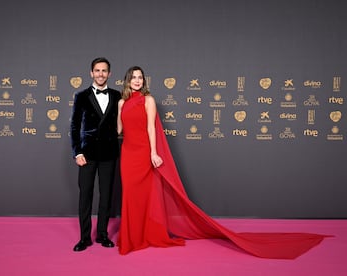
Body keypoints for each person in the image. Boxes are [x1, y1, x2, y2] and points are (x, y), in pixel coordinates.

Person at [116, 66, 332, 259]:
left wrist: (154, 153)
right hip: (128, 154)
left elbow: (151, 128)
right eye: (134, 77)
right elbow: (119, 129)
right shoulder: (121, 102)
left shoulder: (149, 100)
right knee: (131, 196)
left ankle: (146, 235)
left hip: (145, 154)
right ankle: (132, 238)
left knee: (147, 196)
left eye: (140, 77)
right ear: (127, 80)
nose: (137, 81)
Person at [70, 57, 121, 252]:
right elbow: (75, 126)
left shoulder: (117, 96)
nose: (101, 74)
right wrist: (77, 152)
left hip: (109, 153)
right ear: (91, 73)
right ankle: (84, 238)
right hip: (87, 154)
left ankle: (102, 234)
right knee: (86, 196)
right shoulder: (81, 96)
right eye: (97, 70)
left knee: (106, 196)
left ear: (109, 74)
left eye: (104, 71)